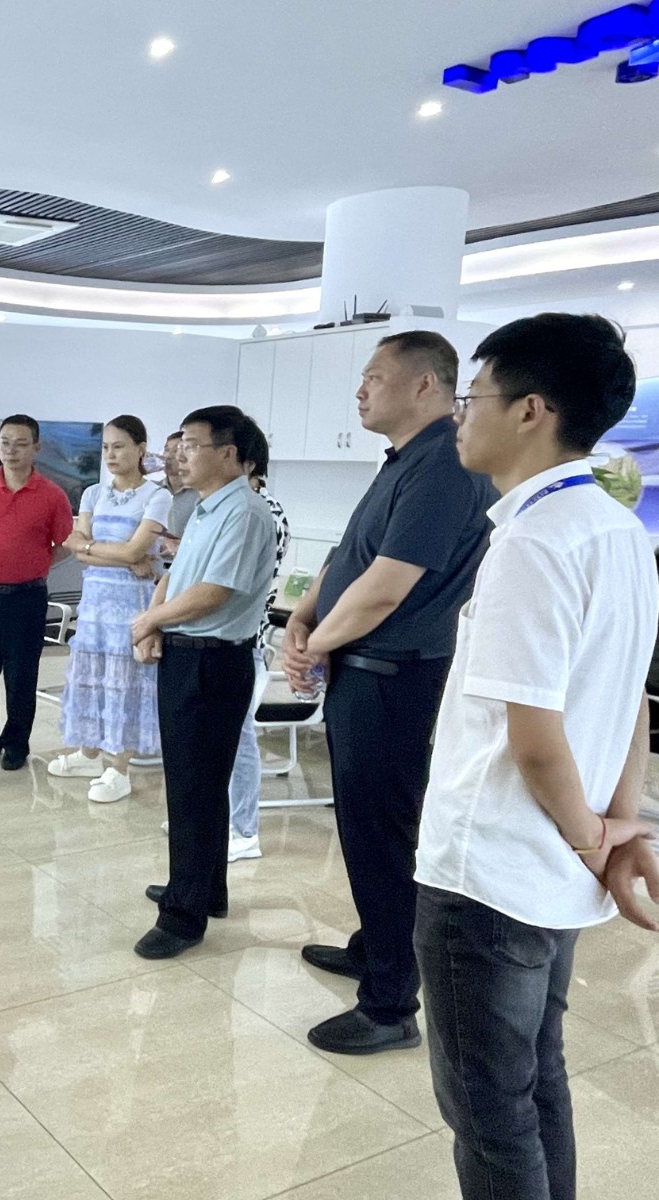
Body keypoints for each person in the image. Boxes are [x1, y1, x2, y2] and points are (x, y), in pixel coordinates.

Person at [414, 313, 659, 1199]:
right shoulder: (620, 531)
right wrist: (616, 829)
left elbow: (535, 738)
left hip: (490, 870)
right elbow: (628, 698)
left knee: (489, 1112)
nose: (460, 416)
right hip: (551, 866)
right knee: (535, 1078)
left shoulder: (535, 539)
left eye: (472, 396)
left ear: (530, 410)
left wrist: (598, 837)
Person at [282, 331, 495, 1055]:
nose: (360, 390)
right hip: (362, 669)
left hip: (393, 676)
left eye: (374, 376)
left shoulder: (446, 465)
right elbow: (351, 556)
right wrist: (304, 618)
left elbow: (386, 586)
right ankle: (378, 948)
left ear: (426, 384)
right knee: (363, 829)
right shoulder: (404, 460)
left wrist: (316, 643)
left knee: (382, 835)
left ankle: (390, 1004)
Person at [129, 407, 276, 959]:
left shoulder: (246, 513)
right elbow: (177, 576)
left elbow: (214, 592)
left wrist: (149, 622)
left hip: (213, 662)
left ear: (230, 454)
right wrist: (153, 621)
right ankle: (204, 888)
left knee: (194, 789)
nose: (179, 455)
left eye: (191, 444)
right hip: (188, 655)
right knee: (196, 785)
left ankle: (182, 917)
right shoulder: (208, 507)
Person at [49, 416, 172, 802]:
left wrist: (95, 548)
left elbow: (135, 550)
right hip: (94, 603)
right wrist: (117, 555)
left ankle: (119, 769)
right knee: (91, 677)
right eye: (105, 447)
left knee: (125, 682)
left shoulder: (157, 497)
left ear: (140, 449)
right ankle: (89, 754)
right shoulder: (92, 494)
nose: (110, 455)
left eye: (119, 446)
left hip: (131, 605)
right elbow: (77, 548)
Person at [0, 414, 74, 770]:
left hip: (28, 597)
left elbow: (66, 543)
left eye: (21, 444)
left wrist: (38, 563)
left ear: (36, 448)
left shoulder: (52, 495)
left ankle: (17, 743)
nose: (11, 450)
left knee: (22, 673)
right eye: (4, 443)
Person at [226, 424, 290, 860]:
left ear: (246, 463)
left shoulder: (262, 511)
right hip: (226, 639)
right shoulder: (228, 508)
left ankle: (243, 829)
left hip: (245, 638)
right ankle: (219, 817)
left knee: (238, 734)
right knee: (219, 735)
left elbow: (235, 582)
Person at [160, 430, 200, 544]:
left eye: (176, 450)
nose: (168, 456)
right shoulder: (153, 490)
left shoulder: (200, 493)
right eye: (166, 450)